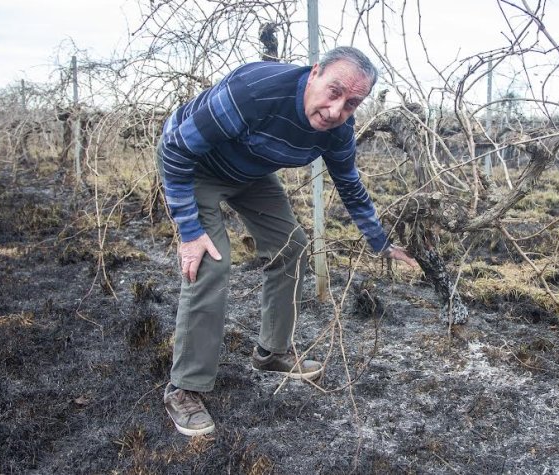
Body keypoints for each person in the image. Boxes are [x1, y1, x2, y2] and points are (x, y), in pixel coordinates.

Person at [156, 46, 417, 436]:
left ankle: (272, 352)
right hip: (195, 166)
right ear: (314, 73)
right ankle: (184, 388)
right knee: (211, 263)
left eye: (351, 104)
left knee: (291, 246)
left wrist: (381, 242)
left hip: (249, 174)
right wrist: (190, 233)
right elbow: (176, 149)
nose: (336, 110)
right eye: (334, 92)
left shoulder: (338, 131)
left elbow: (350, 185)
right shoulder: (255, 91)